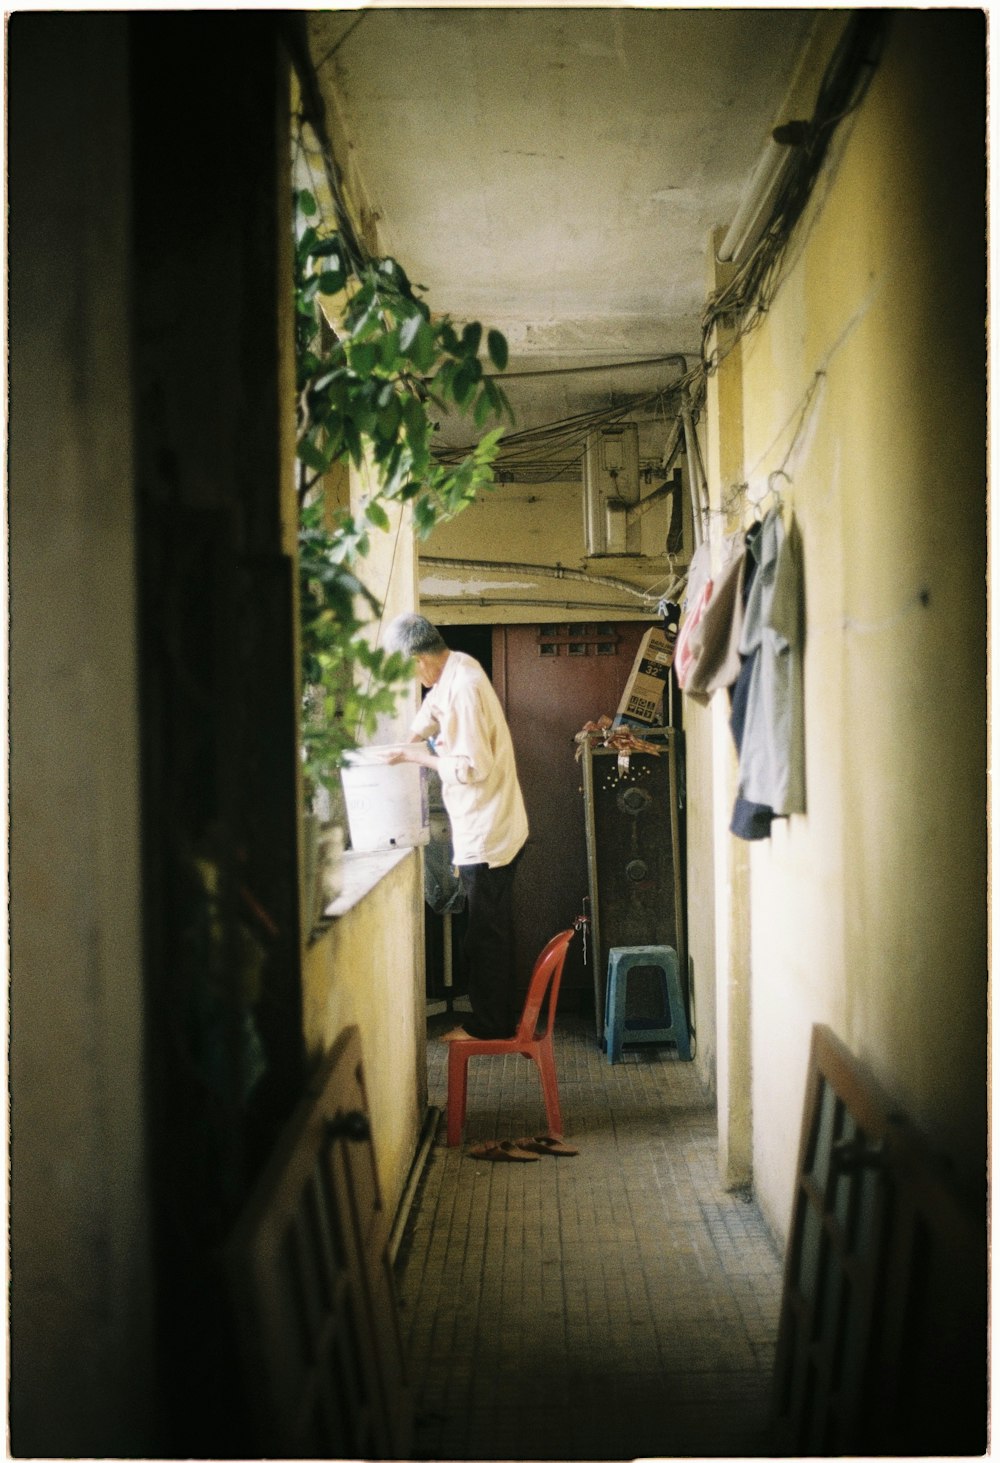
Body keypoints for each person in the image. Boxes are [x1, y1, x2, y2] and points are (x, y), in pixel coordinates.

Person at [382, 613, 529, 1042]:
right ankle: (495, 1019)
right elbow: (431, 709)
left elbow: (471, 767)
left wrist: (416, 758)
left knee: (485, 937)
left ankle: (491, 1026)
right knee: (488, 931)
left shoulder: (463, 687)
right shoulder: (457, 665)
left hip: (488, 834)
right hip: (493, 825)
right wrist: (409, 740)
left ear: (416, 660)